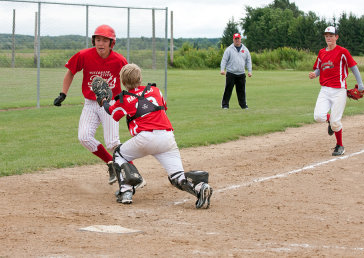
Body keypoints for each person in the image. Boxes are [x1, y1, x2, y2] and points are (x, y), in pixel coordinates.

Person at [98, 63, 213, 208]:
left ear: (123, 82)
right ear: (140, 78)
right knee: (177, 177)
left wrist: (103, 101)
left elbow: (113, 114)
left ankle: (125, 191)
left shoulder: (124, 98)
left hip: (145, 138)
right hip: (167, 137)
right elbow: (163, 107)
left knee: (119, 155)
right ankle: (200, 188)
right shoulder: (155, 90)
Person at [53, 24, 128, 185]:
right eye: (98, 39)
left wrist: (128, 99)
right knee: (84, 137)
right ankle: (110, 163)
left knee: (113, 143)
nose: (101, 43)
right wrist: (63, 93)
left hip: (110, 104)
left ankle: (131, 172)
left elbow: (128, 80)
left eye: (105, 40)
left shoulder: (119, 60)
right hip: (90, 103)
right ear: (93, 41)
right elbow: (71, 71)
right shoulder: (84, 55)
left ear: (111, 43)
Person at [309, 26, 364, 156]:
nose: (328, 38)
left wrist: (360, 84)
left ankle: (340, 145)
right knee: (318, 116)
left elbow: (353, 66)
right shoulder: (321, 52)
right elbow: (319, 68)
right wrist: (314, 74)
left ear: (336, 37)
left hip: (339, 90)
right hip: (324, 89)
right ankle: (330, 120)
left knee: (335, 122)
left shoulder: (342, 51)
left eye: (331, 35)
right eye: (326, 36)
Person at [220, 33, 252, 109]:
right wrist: (222, 69)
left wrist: (250, 71)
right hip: (231, 73)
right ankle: (225, 105)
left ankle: (243, 105)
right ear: (233, 40)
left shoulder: (245, 49)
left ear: (240, 39)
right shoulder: (229, 49)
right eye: (235, 39)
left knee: (241, 91)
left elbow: (248, 61)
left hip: (241, 73)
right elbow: (224, 60)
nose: (237, 40)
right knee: (228, 90)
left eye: (238, 39)